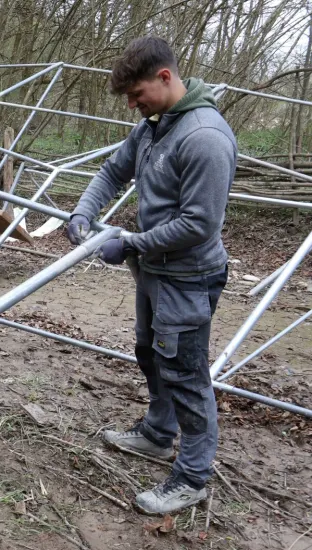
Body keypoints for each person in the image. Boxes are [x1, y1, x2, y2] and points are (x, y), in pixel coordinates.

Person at [66, 37, 236, 515]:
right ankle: (159, 435)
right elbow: (113, 170)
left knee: (186, 373)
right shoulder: (153, 126)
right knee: (150, 353)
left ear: (165, 78)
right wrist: (84, 211)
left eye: (137, 93)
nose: (132, 104)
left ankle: (193, 477)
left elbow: (200, 223)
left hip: (188, 278)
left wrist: (131, 244)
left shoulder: (205, 137)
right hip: (154, 271)